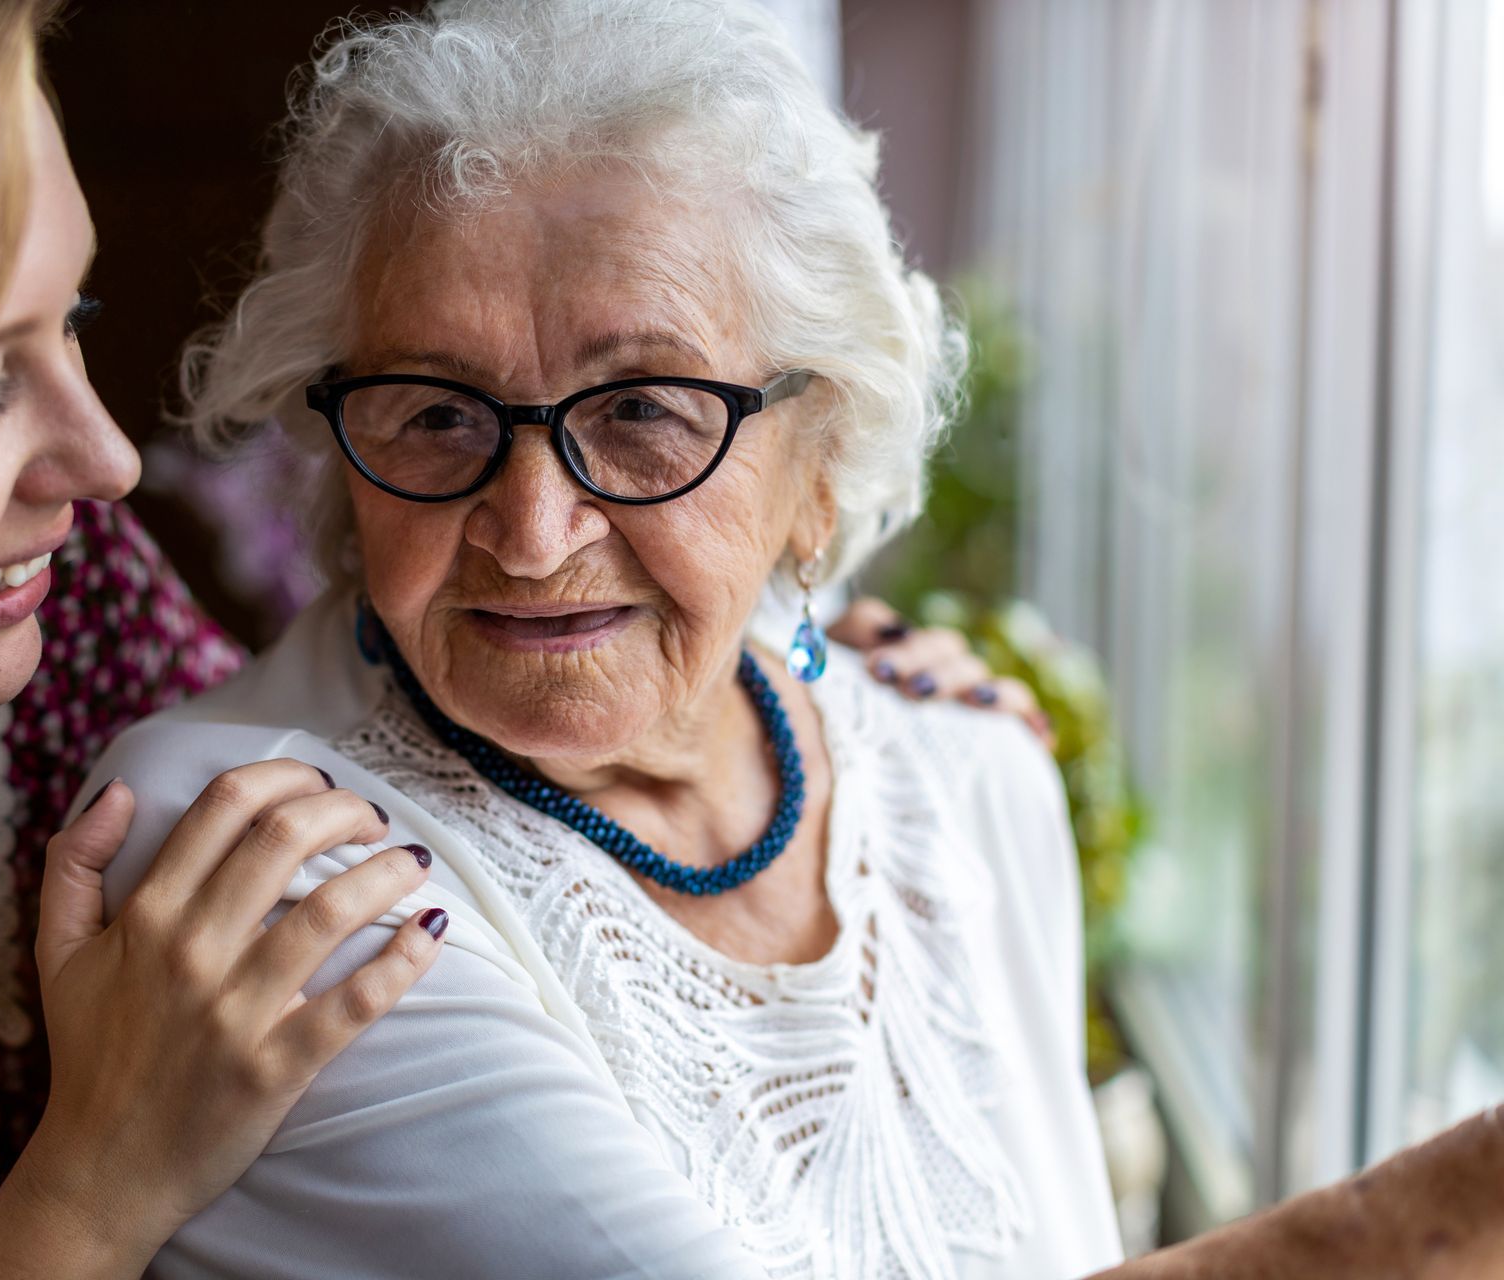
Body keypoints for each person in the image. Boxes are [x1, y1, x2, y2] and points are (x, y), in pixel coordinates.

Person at [0, 2, 1012, 1274]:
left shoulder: (37, 611)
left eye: (70, 321)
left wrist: (766, 618)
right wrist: (91, 1192)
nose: (104, 460)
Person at [91, 1, 1119, 1275]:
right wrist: (1394, 1223)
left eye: (642, 407)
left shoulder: (969, 780)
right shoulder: (253, 846)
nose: (528, 531)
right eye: (436, 413)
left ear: (819, 463)